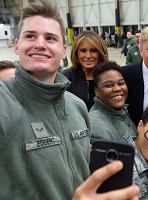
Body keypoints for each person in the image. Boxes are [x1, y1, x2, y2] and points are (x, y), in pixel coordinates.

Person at [0, 1, 91, 199]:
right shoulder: (3, 103)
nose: (40, 44)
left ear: (64, 50)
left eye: (50, 38)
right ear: (17, 45)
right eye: (30, 36)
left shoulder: (78, 107)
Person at [89, 61, 137, 142]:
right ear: (96, 91)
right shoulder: (97, 126)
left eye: (121, 83)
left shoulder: (121, 112)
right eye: (108, 85)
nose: (117, 89)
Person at [63, 30, 108, 110]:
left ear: (100, 52)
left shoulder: (110, 76)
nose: (88, 56)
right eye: (83, 51)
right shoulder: (65, 78)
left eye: (93, 50)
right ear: (76, 53)